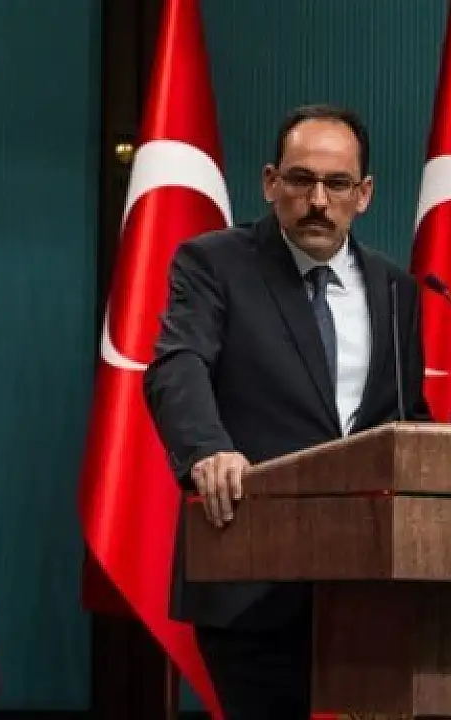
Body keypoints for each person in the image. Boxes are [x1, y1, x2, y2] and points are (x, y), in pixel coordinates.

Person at [142, 103, 432, 718]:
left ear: (364, 194)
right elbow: (178, 364)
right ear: (271, 182)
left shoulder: (396, 289)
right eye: (301, 180)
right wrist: (207, 449)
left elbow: (404, 416)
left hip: (372, 584)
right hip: (255, 571)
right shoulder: (215, 264)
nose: (318, 201)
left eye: (338, 184)